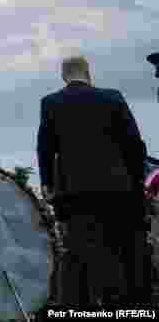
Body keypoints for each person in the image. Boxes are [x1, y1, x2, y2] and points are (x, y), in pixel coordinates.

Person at [36, 55, 147, 307]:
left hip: (74, 193)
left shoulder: (51, 102)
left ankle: (78, 307)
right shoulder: (113, 97)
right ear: (88, 73)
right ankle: (119, 306)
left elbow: (45, 148)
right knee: (117, 250)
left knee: (78, 253)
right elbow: (134, 144)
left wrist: (47, 183)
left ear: (64, 76)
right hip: (116, 190)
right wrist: (136, 181)